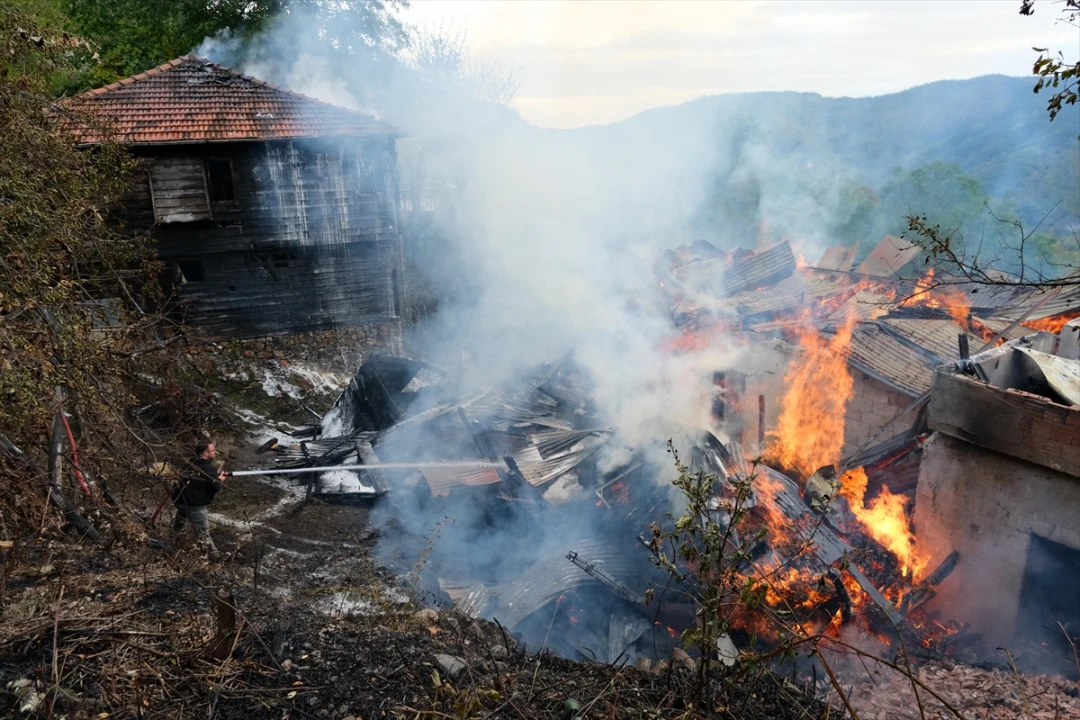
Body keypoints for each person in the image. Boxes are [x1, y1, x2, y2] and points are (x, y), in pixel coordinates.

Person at [172, 441, 226, 554]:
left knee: (179, 524)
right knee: (203, 534)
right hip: (194, 505)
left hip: (180, 501)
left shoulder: (189, 464)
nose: (215, 452)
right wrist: (220, 479)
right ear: (205, 453)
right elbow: (215, 488)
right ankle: (214, 557)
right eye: (213, 450)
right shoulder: (208, 468)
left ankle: (174, 544)